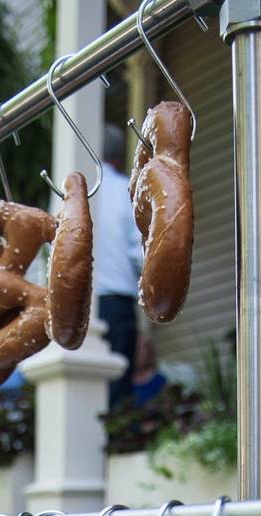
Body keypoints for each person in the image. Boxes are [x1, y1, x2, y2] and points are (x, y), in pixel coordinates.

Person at [95, 124, 145, 408]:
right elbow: (140, 251)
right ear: (117, 156)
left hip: (82, 307)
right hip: (117, 302)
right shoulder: (125, 190)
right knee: (118, 382)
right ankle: (114, 443)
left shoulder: (73, 191)